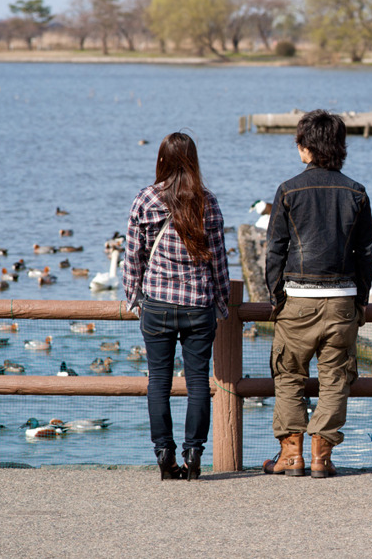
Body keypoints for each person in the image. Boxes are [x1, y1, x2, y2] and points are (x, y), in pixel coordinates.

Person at [263, 109, 372, 478]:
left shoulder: (288, 190)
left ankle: (291, 455)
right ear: (340, 148)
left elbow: (275, 251)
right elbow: (366, 254)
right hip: (343, 300)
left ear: (306, 149)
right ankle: (321, 458)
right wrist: (360, 300)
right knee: (335, 378)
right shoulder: (356, 192)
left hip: (297, 299)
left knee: (289, 375)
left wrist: (276, 298)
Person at [125, 132, 230, 481]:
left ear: (161, 161)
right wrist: (223, 302)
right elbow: (218, 261)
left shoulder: (145, 200)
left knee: (159, 381)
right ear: (194, 161)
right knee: (199, 381)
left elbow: (133, 257)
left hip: (156, 304)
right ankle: (194, 452)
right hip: (199, 305)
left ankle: (164, 452)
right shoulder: (208, 202)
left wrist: (132, 298)